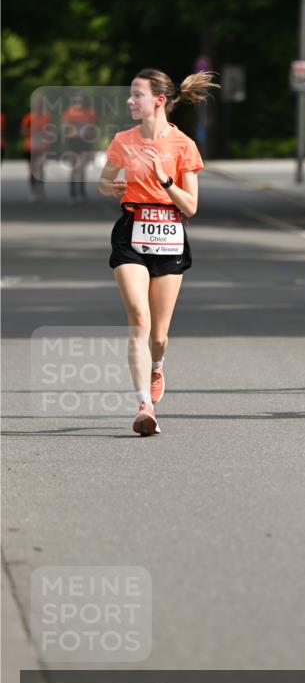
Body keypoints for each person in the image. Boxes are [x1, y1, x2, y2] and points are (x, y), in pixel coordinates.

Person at [98, 68, 219, 436]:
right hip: (131, 231)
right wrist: (112, 185)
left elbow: (192, 206)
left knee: (158, 336)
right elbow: (104, 181)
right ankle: (143, 406)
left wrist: (165, 180)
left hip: (169, 235)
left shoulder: (183, 146)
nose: (130, 101)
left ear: (159, 101)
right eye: (131, 95)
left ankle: (157, 365)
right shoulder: (123, 140)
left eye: (137, 95)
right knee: (138, 317)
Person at [62, 92, 97, 203]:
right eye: (76, 101)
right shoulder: (69, 113)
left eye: (81, 101)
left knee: (82, 168)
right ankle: (72, 193)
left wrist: (92, 141)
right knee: (74, 168)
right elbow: (64, 127)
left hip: (85, 142)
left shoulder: (90, 113)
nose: (79, 103)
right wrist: (72, 130)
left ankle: (82, 192)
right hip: (73, 142)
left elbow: (93, 129)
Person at [21, 97, 53, 201]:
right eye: (36, 104)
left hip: (43, 148)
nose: (38, 107)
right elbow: (23, 131)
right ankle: (33, 191)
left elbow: (51, 132)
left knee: (40, 168)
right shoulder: (29, 117)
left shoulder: (47, 117)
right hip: (30, 148)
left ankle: (41, 189)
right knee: (32, 170)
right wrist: (31, 132)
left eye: (40, 104)